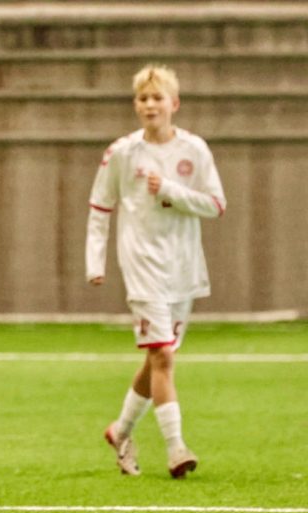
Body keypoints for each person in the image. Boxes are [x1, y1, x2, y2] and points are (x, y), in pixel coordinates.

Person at [86, 64, 226, 479]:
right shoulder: (122, 152)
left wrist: (169, 190)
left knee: (157, 357)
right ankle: (176, 448)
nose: (150, 105)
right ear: (136, 105)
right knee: (163, 355)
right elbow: (100, 206)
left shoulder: (194, 150)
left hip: (183, 267)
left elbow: (216, 205)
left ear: (174, 104)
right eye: (143, 98)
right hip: (141, 265)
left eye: (157, 98)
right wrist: (95, 261)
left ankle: (121, 430)